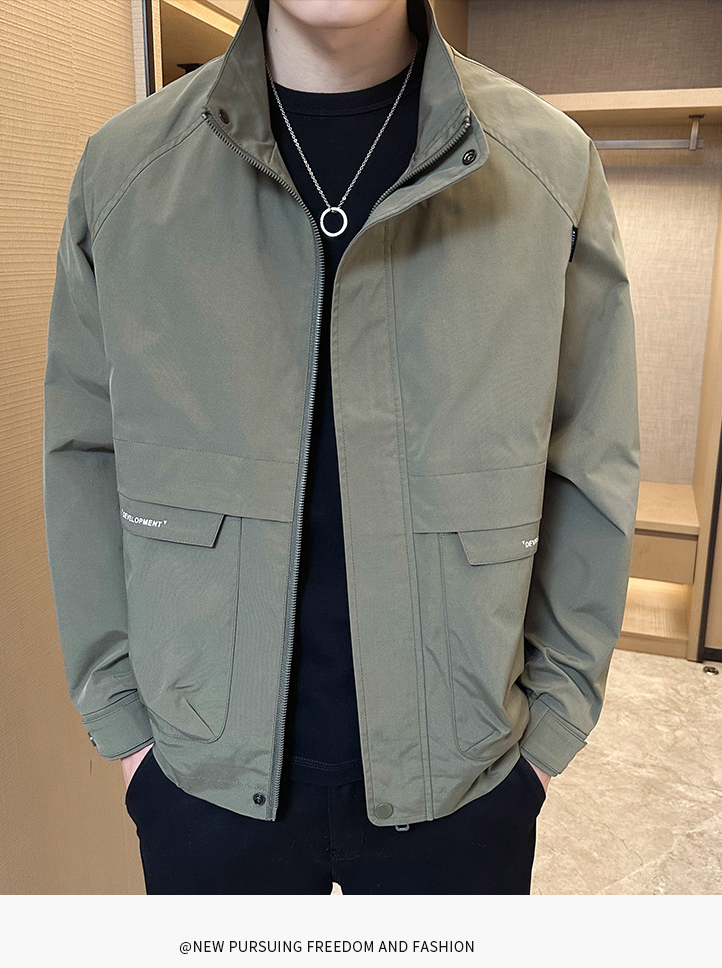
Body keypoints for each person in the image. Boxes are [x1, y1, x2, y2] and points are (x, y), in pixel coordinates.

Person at [43, 0, 640, 894]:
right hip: (199, 779)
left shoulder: (551, 168)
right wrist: (126, 729)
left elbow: (590, 465)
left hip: (468, 782)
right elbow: (86, 455)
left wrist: (546, 739)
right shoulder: (125, 171)